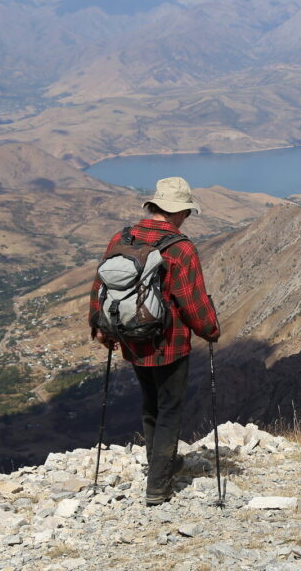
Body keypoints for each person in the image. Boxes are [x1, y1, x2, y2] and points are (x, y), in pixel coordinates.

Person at [89, 177, 220, 505]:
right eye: (186, 212)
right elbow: (191, 301)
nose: (186, 218)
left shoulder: (122, 238)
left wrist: (100, 327)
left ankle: (159, 463)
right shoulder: (180, 248)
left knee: (150, 404)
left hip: (131, 339)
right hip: (169, 342)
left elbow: (101, 286)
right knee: (170, 408)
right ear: (179, 212)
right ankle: (159, 484)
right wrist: (211, 331)